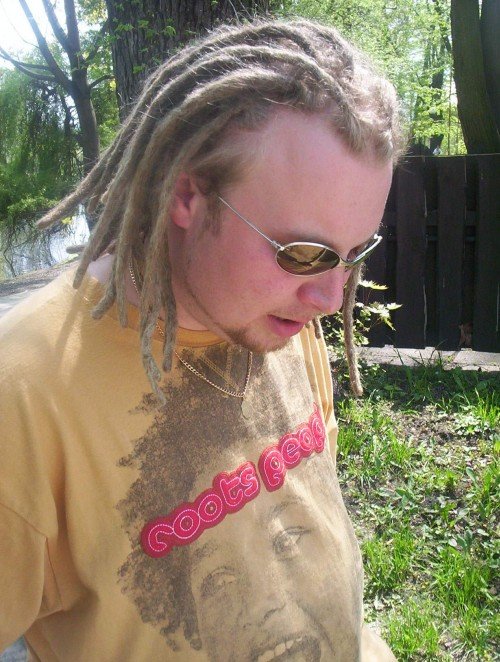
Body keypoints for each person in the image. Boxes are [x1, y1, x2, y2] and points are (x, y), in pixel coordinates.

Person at [0, 17, 404, 661]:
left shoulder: (280, 312)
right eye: (303, 253)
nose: (331, 298)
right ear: (188, 194)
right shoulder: (24, 392)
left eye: (354, 253)